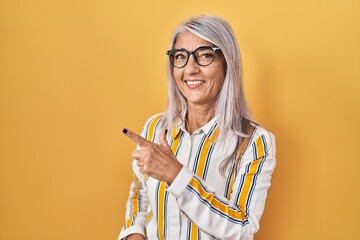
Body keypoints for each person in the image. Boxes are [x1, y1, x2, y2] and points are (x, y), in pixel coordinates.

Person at [119, 15, 276, 240]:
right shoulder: (155, 127)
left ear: (226, 63)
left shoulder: (254, 141)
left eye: (204, 56)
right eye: (180, 57)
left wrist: (176, 175)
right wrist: (133, 233)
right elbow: (140, 194)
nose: (190, 69)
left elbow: (242, 228)